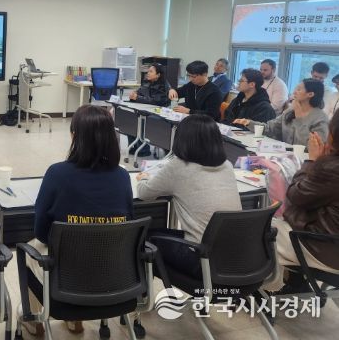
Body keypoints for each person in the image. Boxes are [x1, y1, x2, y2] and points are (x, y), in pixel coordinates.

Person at [25, 105, 134, 335]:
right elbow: (128, 222)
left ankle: (34, 320)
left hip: (67, 277)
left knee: (29, 251)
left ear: (74, 136)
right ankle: (75, 319)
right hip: (115, 275)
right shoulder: (122, 176)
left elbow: (41, 232)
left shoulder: (57, 174)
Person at [137, 115, 241, 276]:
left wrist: (143, 178)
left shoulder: (178, 166)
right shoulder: (227, 165)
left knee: (145, 238)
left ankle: (143, 289)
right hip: (236, 257)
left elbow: (144, 193)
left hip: (201, 261)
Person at [264, 113, 339, 293]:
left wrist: (312, 161)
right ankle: (296, 285)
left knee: (257, 229)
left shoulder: (332, 169)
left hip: (324, 249)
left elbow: (295, 195)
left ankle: (257, 287)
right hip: (330, 241)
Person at [234, 79, 329, 146]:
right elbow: (270, 129)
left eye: (299, 89)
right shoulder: (290, 111)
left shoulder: (320, 118)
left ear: (310, 94)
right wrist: (249, 123)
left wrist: (299, 119)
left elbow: (311, 146)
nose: (294, 92)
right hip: (283, 156)